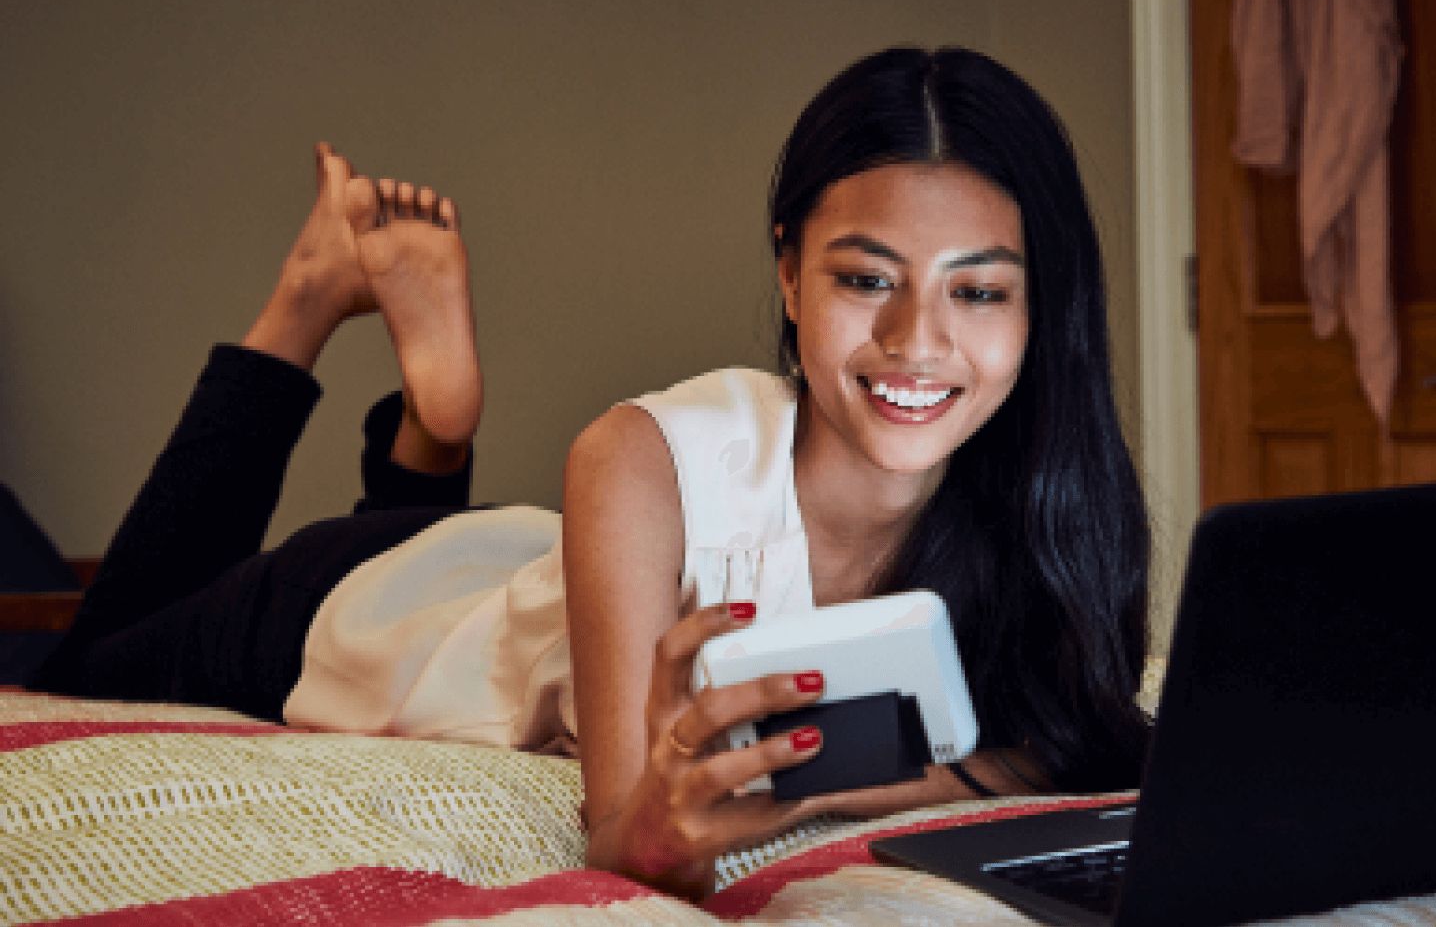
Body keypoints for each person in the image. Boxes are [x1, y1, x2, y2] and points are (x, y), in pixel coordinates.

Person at [29, 46, 1152, 899]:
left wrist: (886, 779)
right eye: (867, 280)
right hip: (340, 612)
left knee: (477, 581)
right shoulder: (636, 455)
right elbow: (626, 839)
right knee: (82, 661)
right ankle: (310, 297)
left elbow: (1067, 747)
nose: (918, 340)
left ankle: (428, 438)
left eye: (977, 289)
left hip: (520, 573)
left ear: (1036, 303)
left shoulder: (1045, 501)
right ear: (788, 275)